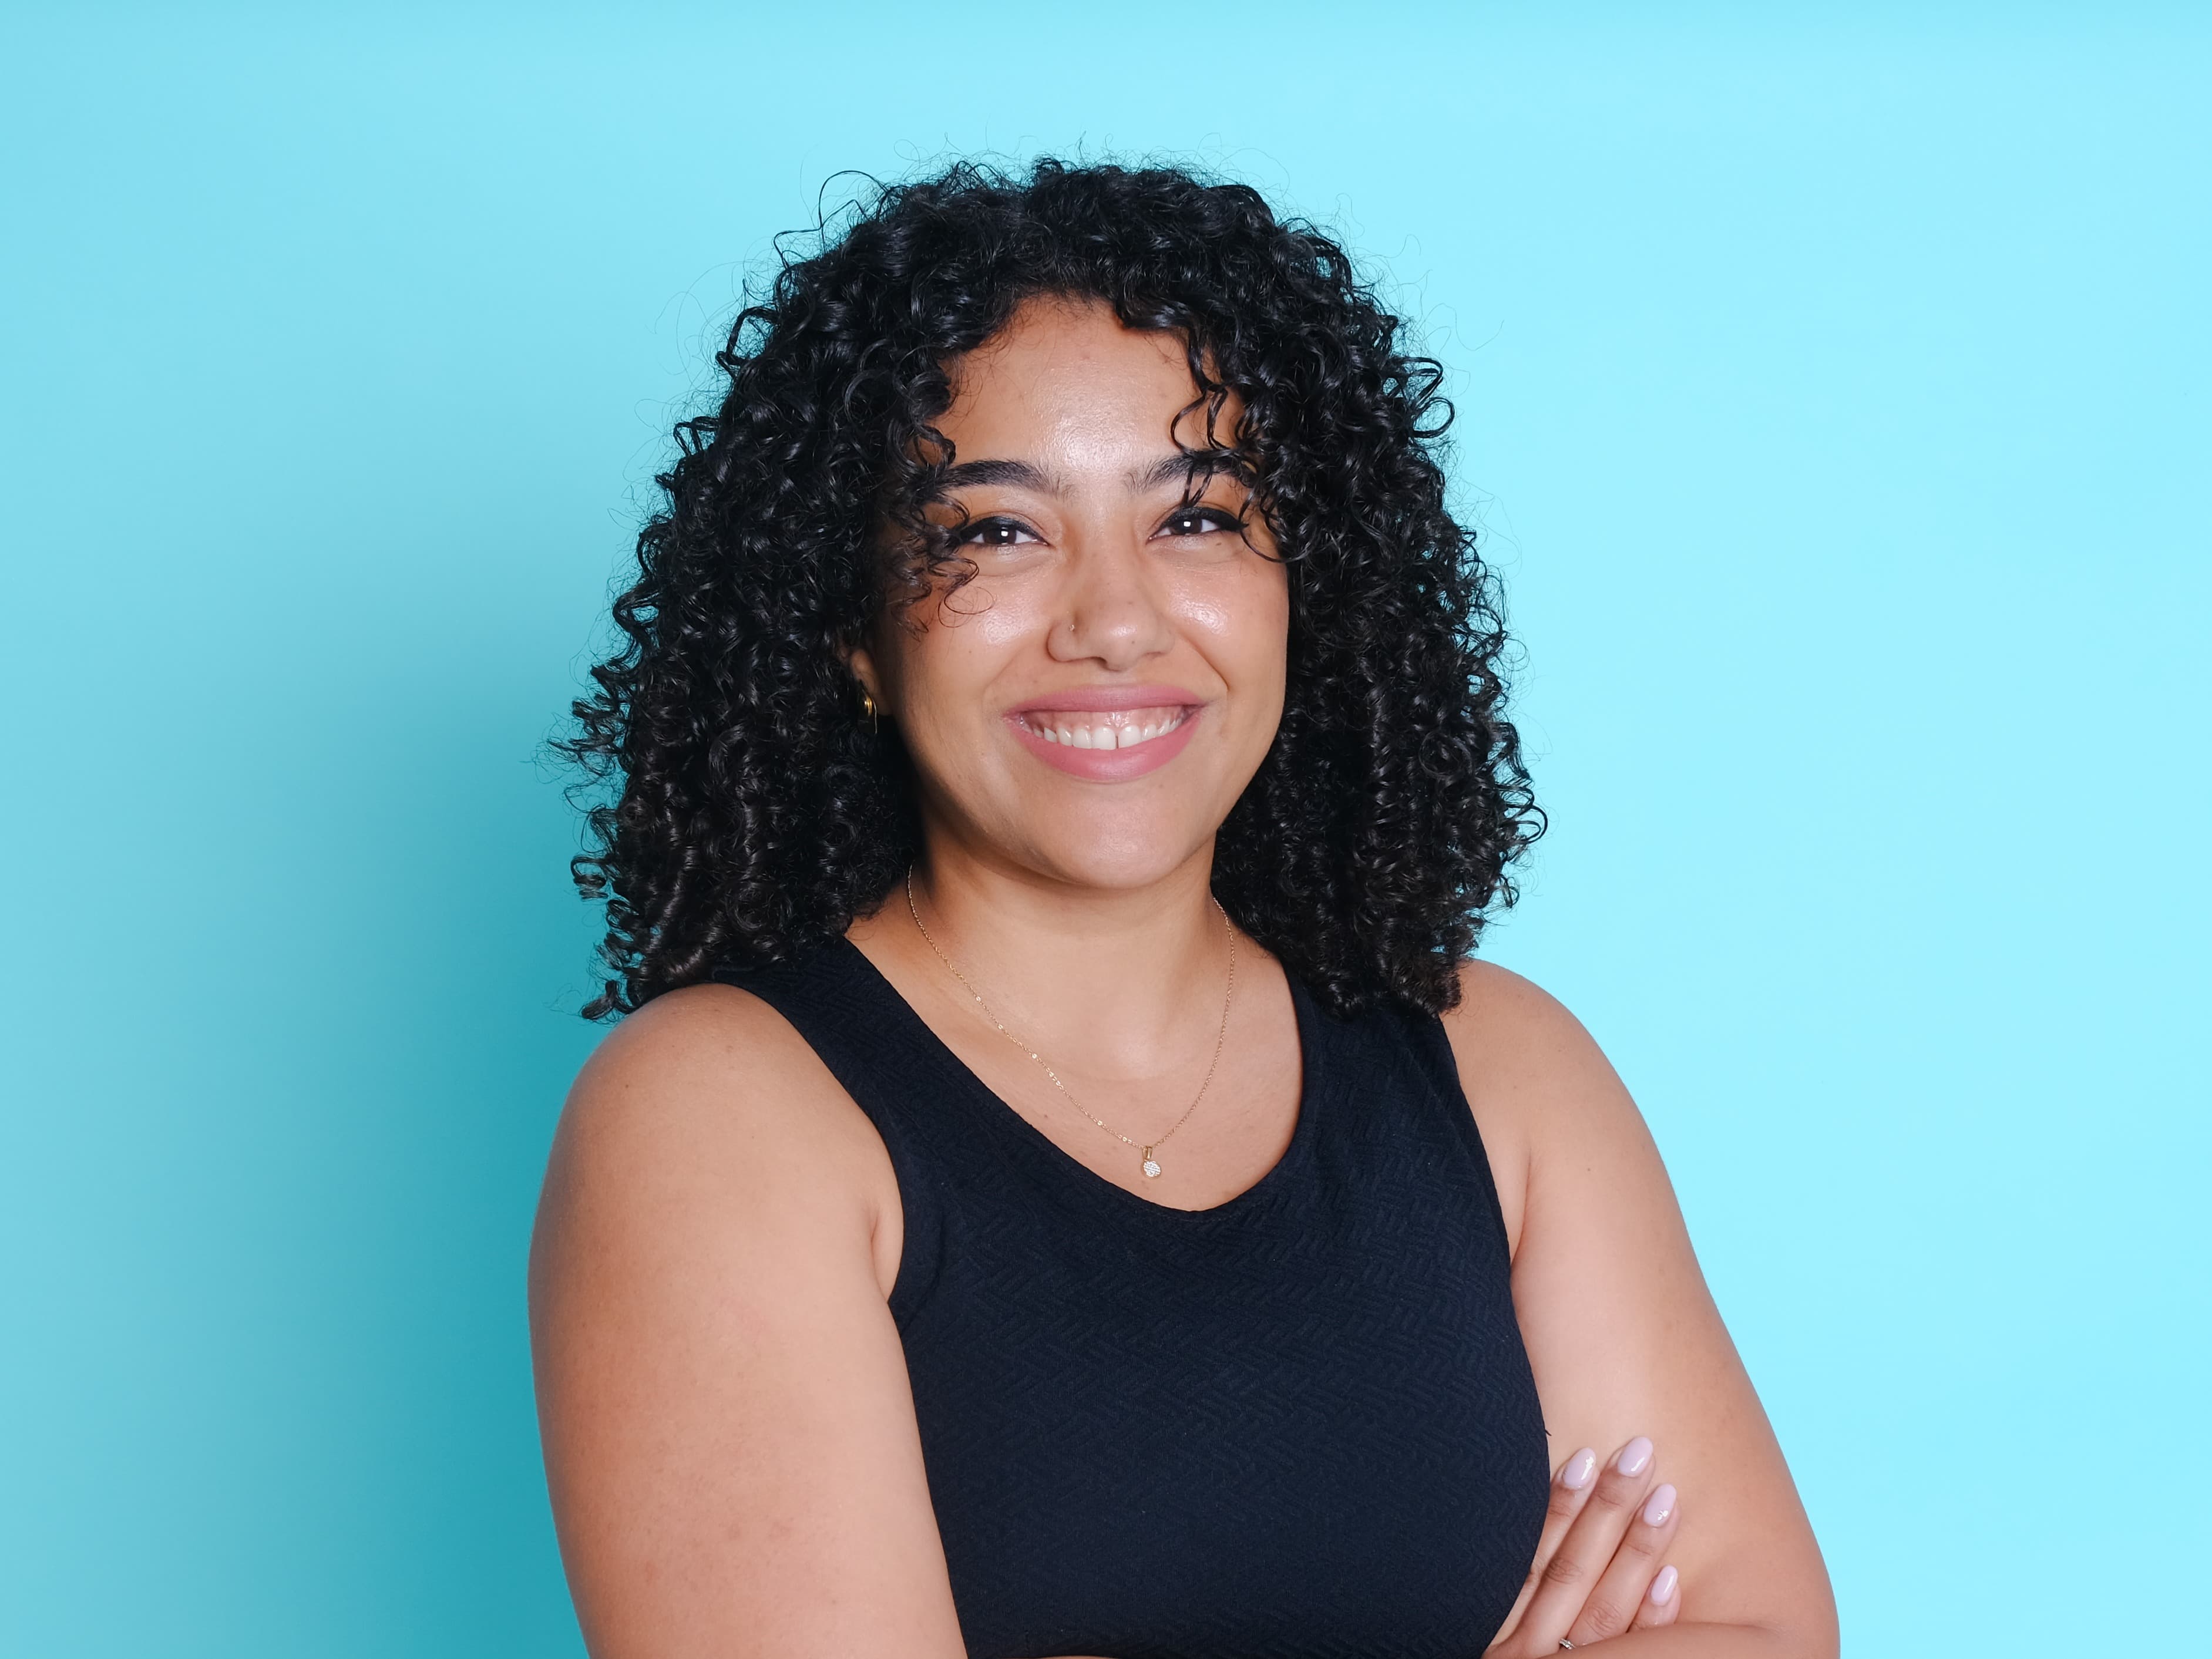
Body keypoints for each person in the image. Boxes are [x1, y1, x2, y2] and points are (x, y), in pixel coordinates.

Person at [527, 159, 1836, 1659]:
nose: (1114, 622)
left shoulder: (1498, 1067)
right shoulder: (716, 1116)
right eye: (995, 533)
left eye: (1198, 517)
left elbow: (1750, 1631)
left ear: (1305, 587)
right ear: (855, 629)